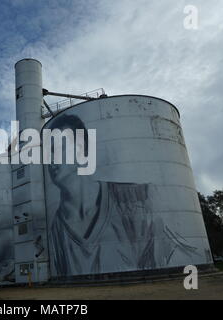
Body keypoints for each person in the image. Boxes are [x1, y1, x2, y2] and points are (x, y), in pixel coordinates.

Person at [46, 114, 200, 277]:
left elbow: (178, 256)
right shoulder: (56, 230)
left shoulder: (135, 199)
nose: (51, 159)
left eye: (59, 148)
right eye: (49, 152)